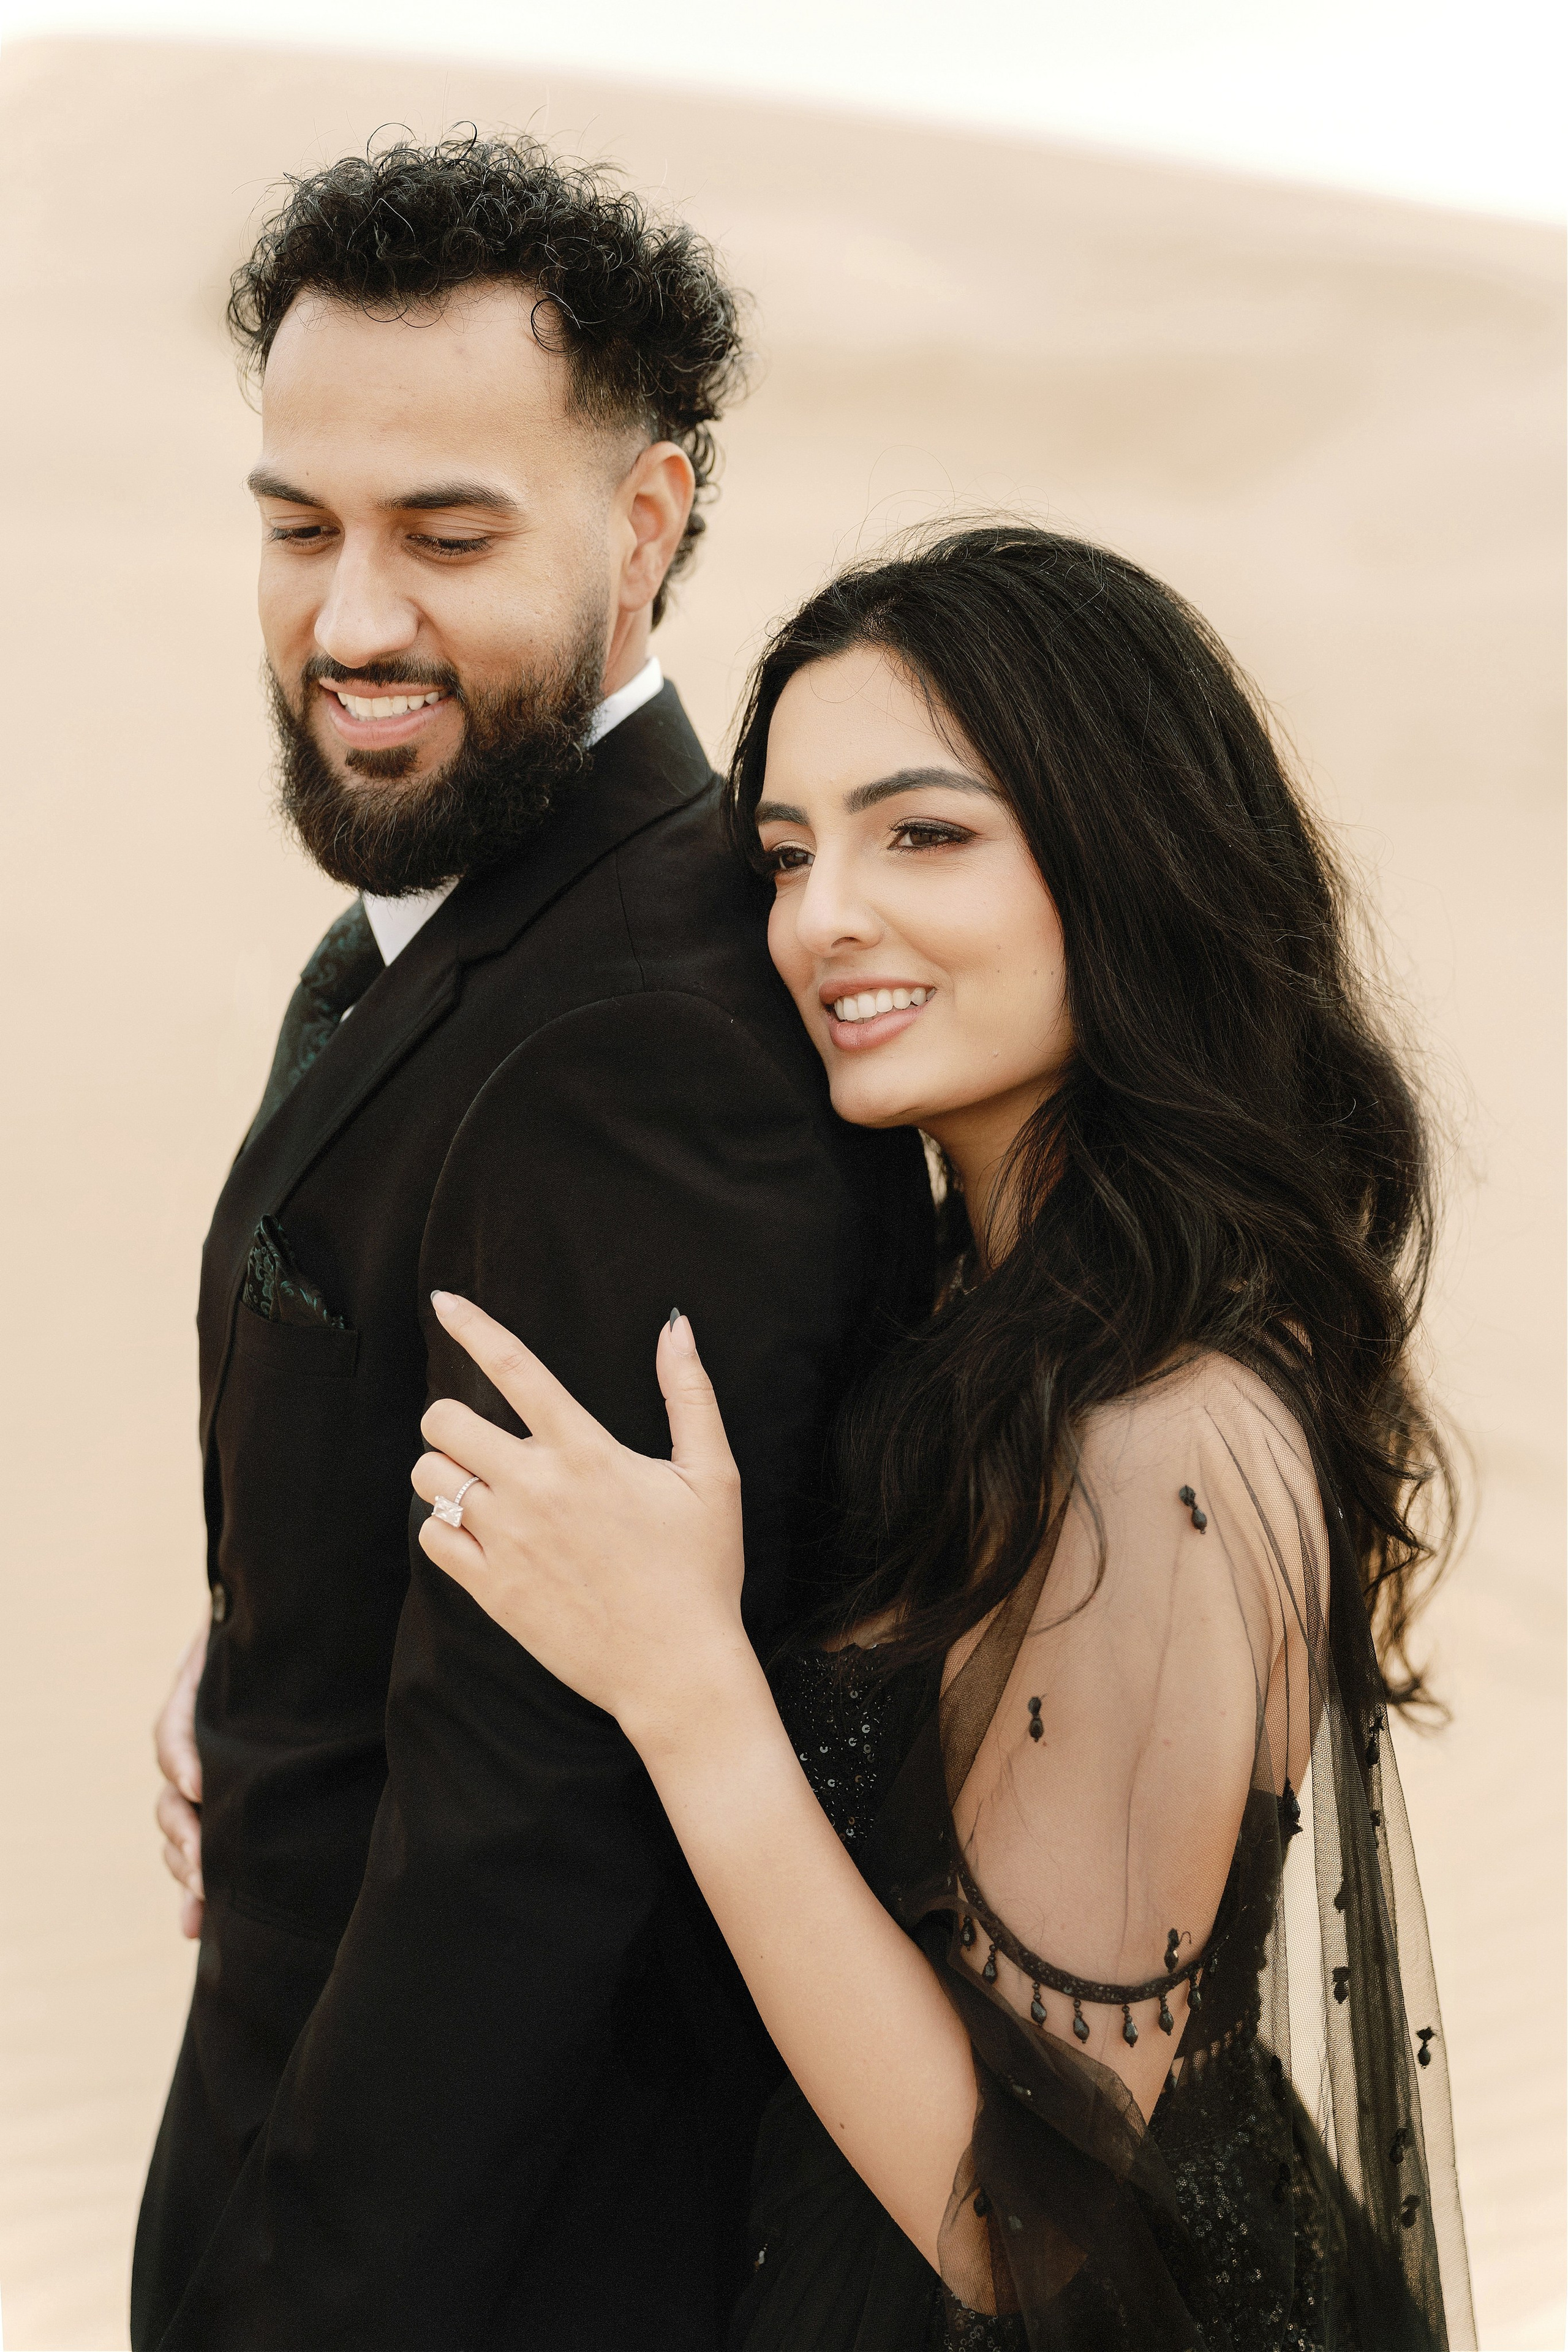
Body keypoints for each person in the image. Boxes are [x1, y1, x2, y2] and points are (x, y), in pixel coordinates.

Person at [412, 526, 1477, 2350]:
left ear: (1122, 861)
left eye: (925, 834)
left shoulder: (1168, 1439)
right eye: (786, 855)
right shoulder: (957, 1313)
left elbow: (1036, 2239)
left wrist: (690, 1696)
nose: (824, 918)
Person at [135, 137, 933, 2351]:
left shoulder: (643, 1051)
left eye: (447, 535)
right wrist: (268, 1649)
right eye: (299, 529)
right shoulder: (465, 906)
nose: (354, 618)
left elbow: (524, 1847)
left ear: (649, 524)